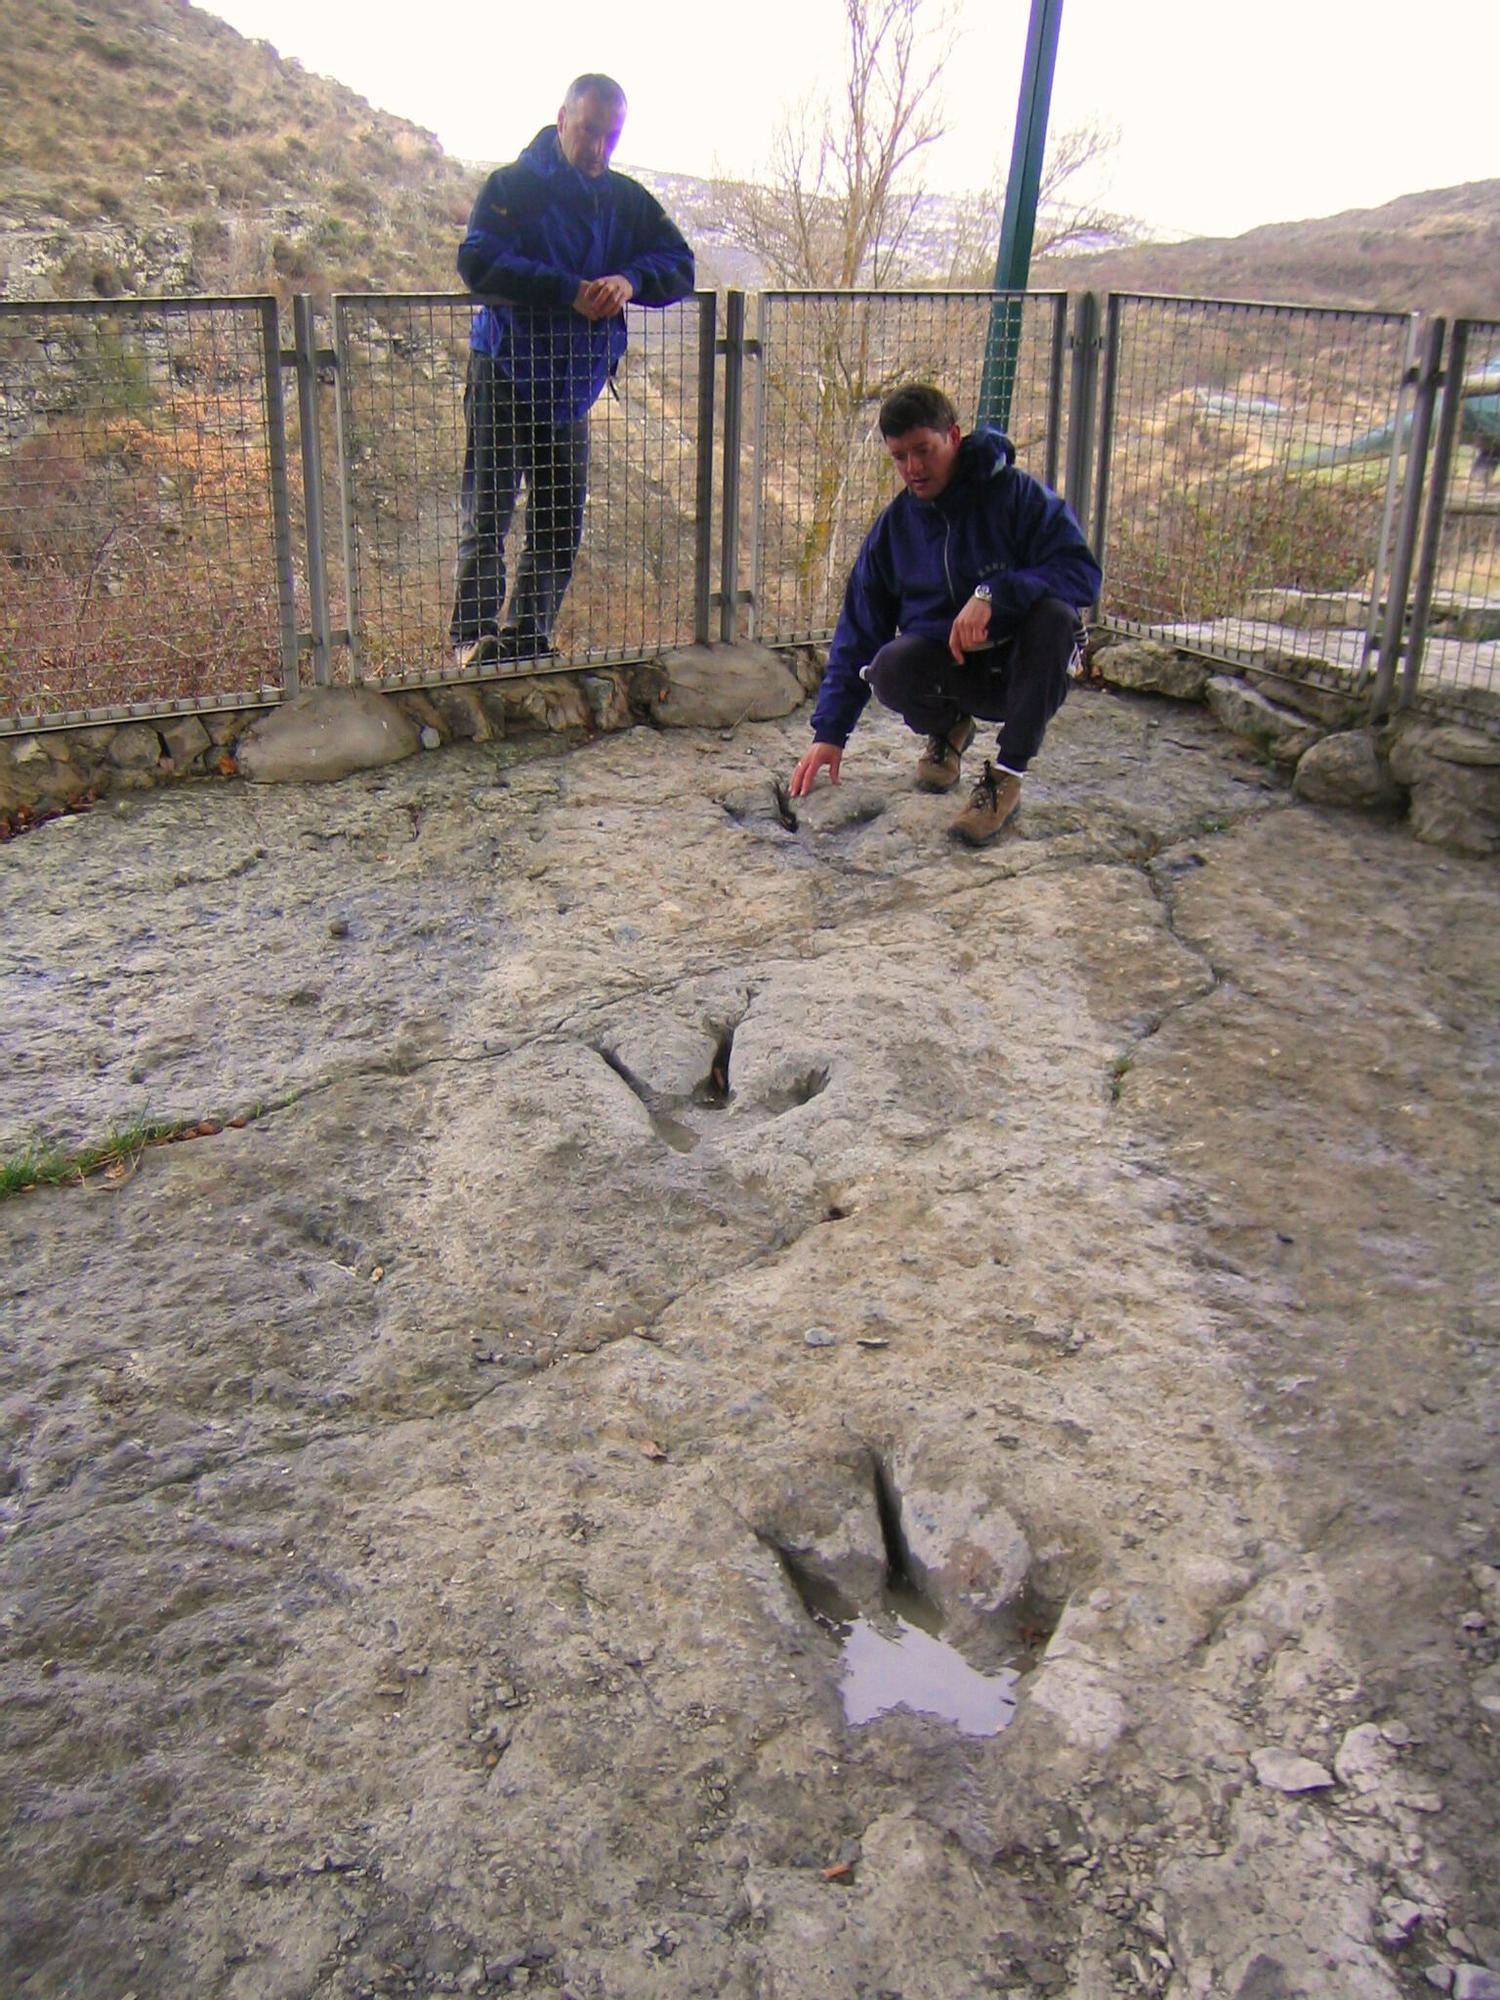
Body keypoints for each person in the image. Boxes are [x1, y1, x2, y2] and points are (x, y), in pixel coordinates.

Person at [448, 75, 695, 666]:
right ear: (562, 120)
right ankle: (471, 643)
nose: (598, 149)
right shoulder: (512, 187)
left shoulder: (625, 200)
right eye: (588, 132)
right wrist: (569, 291)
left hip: (573, 388)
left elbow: (680, 264)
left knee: (559, 523)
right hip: (506, 370)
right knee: (489, 513)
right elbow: (478, 263)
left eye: (611, 136)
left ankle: (527, 638)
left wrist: (630, 280)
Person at [788, 383, 1102, 845]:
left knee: (1057, 619)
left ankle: (1005, 778)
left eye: (923, 450)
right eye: (899, 457)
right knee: (889, 666)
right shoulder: (895, 528)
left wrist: (995, 594)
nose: (913, 468)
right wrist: (829, 733)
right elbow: (858, 630)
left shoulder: (1017, 496)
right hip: (953, 672)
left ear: (953, 436)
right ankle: (948, 730)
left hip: (1022, 672)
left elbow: (1082, 573)